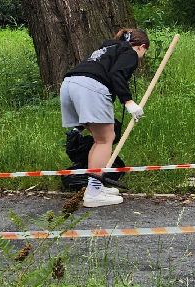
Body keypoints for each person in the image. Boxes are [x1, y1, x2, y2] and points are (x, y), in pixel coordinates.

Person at [59, 28, 149, 207]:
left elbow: (103, 74)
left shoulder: (108, 49)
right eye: (144, 53)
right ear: (141, 47)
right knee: (106, 139)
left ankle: (96, 186)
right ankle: (93, 193)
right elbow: (117, 75)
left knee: (99, 139)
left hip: (70, 84)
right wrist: (129, 103)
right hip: (89, 87)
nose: (141, 58)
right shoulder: (130, 52)